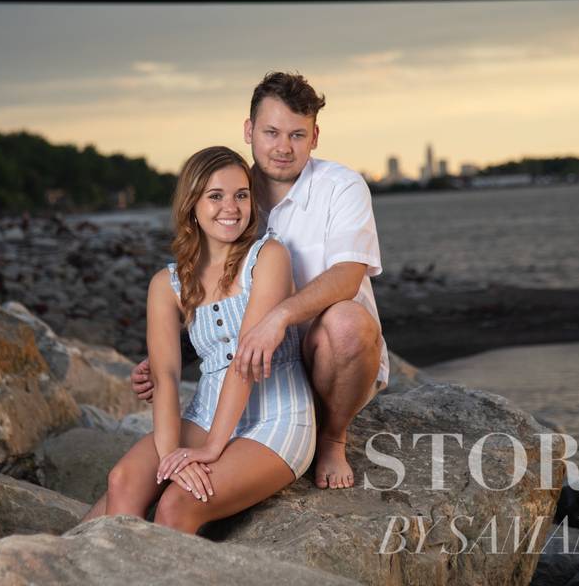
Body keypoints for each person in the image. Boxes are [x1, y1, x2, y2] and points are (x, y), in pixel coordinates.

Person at [133, 72, 388, 490]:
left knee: (347, 322)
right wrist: (166, 360)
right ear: (249, 130)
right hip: (255, 368)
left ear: (315, 136)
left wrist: (280, 317)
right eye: (271, 132)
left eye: (297, 134)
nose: (284, 147)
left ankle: (332, 437)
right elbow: (211, 292)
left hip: (328, 358)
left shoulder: (341, 187)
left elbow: (347, 276)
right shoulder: (230, 194)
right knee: (134, 485)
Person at [78, 146, 316, 533]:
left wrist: (209, 450)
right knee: (122, 480)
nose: (232, 207)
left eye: (241, 195)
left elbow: (246, 358)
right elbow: (167, 376)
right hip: (205, 413)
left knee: (178, 504)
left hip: (276, 413)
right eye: (215, 196)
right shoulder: (166, 284)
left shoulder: (268, 256)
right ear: (192, 203)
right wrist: (173, 455)